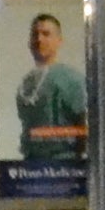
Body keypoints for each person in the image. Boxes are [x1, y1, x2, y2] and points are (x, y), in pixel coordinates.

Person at [15, 10, 88, 141]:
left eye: (46, 34)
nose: (39, 39)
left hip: (64, 159)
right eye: (35, 34)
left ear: (59, 40)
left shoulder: (71, 80)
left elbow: (85, 126)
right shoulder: (26, 84)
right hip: (30, 159)